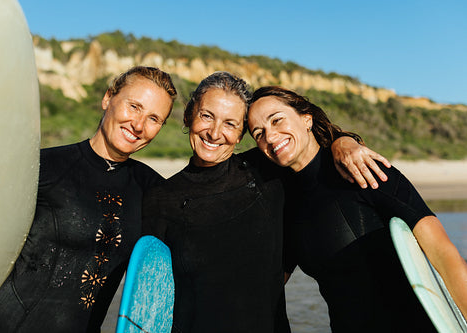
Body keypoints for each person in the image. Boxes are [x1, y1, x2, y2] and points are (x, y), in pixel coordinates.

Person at [141, 72, 390, 333]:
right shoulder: (160, 198)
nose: (215, 133)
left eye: (230, 123)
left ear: (240, 135)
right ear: (189, 116)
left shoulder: (267, 172)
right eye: (207, 116)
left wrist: (343, 142)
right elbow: (150, 296)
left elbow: (307, 148)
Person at [247, 85, 467, 332]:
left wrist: (343, 141)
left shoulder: (364, 170)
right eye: (258, 133)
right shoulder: (284, 204)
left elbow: (445, 256)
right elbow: (269, 285)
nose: (271, 136)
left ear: (306, 118)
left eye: (277, 120)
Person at [0, 66, 177, 333]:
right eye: (134, 107)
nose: (138, 125)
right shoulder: (43, 167)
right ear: (108, 98)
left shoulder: (152, 189)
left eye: (154, 119)